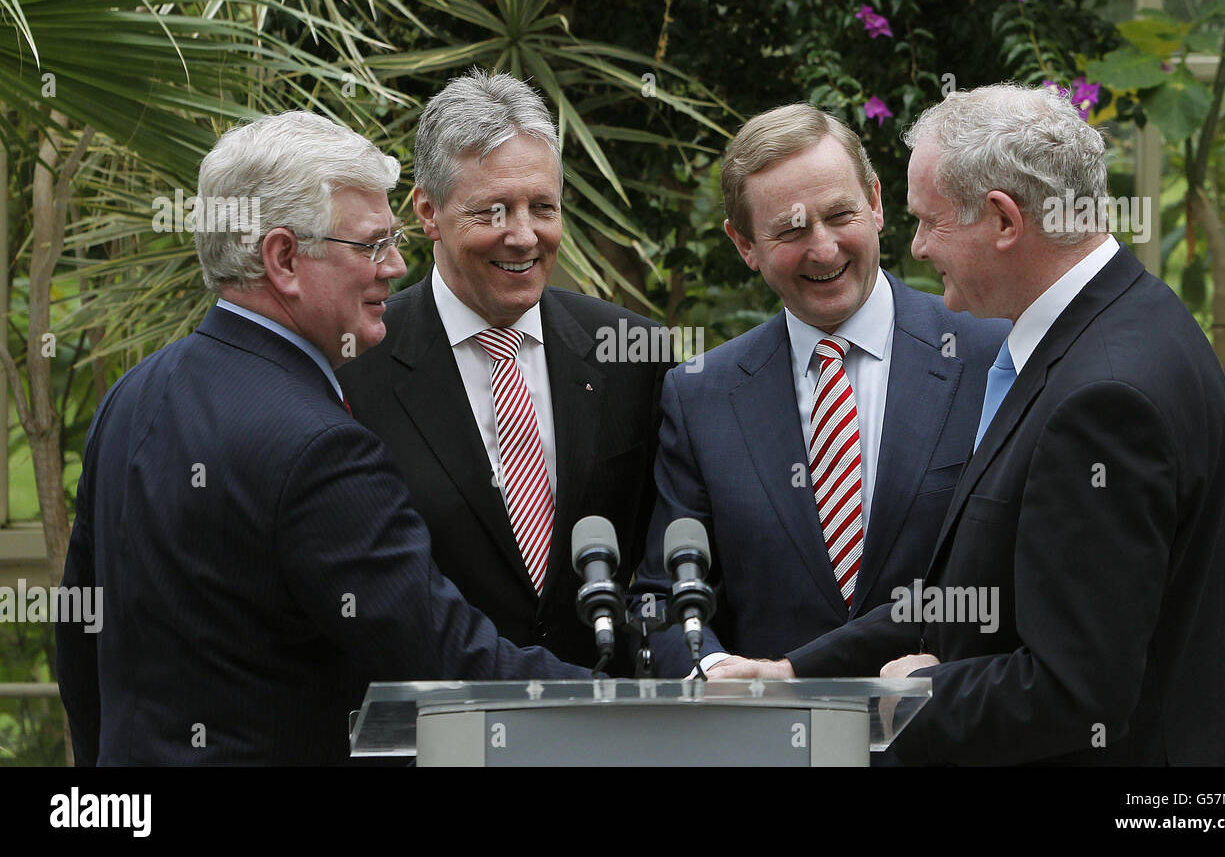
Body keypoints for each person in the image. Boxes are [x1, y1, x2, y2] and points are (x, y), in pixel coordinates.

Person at [710, 84, 1225, 766]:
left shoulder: (1104, 397)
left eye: (929, 221)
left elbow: (1074, 691)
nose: (917, 246)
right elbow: (980, 592)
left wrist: (916, 692)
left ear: (1002, 219)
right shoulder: (1121, 322)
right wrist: (795, 672)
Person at [55, 111, 590, 767]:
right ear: (284, 258)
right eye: (370, 245)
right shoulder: (319, 447)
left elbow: (80, 636)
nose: (395, 266)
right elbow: (446, 663)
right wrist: (650, 710)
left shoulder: (131, 397)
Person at [632, 103, 1007, 677]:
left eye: (840, 215)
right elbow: (665, 597)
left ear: (877, 203)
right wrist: (707, 675)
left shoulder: (991, 356)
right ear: (744, 245)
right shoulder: (702, 396)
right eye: (790, 229)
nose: (824, 249)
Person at [337, 71, 668, 673]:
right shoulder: (355, 365)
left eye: (542, 208)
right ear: (428, 212)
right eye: (493, 211)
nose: (523, 236)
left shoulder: (634, 352)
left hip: (603, 727)